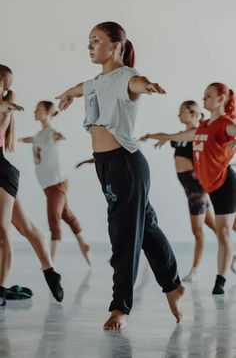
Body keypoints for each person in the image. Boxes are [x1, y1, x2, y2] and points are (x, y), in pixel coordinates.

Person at [55, 21, 185, 330]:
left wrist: (149, 85)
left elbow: (139, 82)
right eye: (89, 41)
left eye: (96, 40)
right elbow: (79, 89)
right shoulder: (98, 81)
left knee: (124, 236)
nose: (90, 46)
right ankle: (173, 284)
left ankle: (120, 307)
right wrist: (66, 96)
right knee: (147, 227)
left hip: (126, 165)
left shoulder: (126, 77)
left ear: (116, 46)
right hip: (107, 165)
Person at [150, 83, 236, 294]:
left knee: (223, 231)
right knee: (223, 230)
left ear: (221, 99)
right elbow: (180, 137)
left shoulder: (225, 123)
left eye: (209, 96)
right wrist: (156, 137)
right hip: (210, 186)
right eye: (204, 95)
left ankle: (220, 281)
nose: (204, 99)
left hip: (225, 182)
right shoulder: (204, 126)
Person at [0, 64, 63, 305]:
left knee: (3, 232)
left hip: (1, 173)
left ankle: (1, 291)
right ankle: (50, 271)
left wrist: (5, 106)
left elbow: (3, 110)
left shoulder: (5, 111)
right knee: (25, 226)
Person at [140, 100, 216, 282]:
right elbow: (170, 136)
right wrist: (152, 136)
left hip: (197, 188)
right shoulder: (183, 135)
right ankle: (230, 251)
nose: (178, 115)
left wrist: (160, 138)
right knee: (217, 227)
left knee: (197, 231)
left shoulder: (198, 134)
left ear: (194, 114)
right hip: (190, 188)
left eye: (182, 112)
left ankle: (195, 270)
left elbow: (172, 137)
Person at [19, 101, 90, 265]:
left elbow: (57, 136)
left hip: (56, 183)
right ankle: (83, 244)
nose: (35, 112)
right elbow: (34, 139)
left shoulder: (52, 133)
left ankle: (49, 262)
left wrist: (59, 137)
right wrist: (20, 139)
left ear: (48, 112)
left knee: (53, 219)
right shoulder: (39, 135)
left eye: (38, 109)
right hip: (48, 184)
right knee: (67, 215)